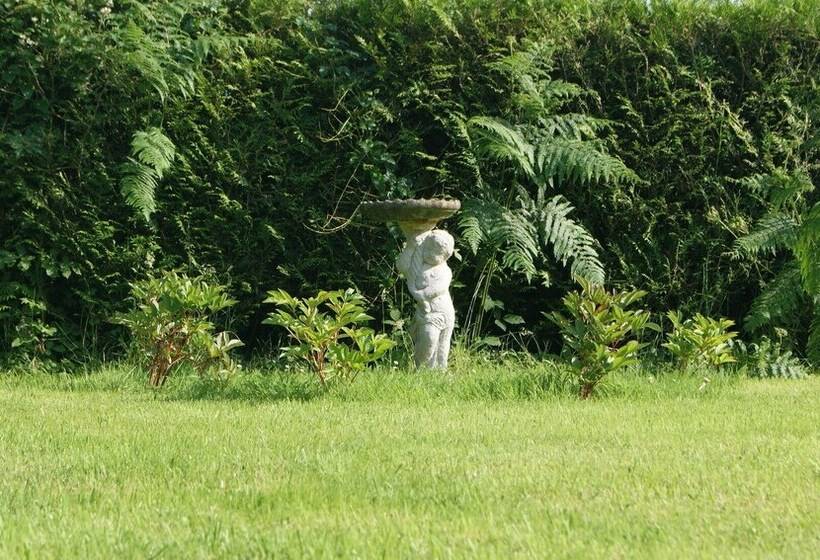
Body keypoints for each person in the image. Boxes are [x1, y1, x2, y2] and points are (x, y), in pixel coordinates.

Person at [399, 229, 455, 369]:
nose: (429, 254)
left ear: (445, 256)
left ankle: (438, 372)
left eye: (436, 253)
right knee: (428, 338)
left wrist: (420, 295)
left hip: (442, 312)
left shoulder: (445, 271)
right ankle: (420, 369)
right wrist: (411, 247)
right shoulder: (419, 264)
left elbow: (438, 289)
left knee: (442, 346)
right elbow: (401, 266)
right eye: (428, 248)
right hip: (426, 312)